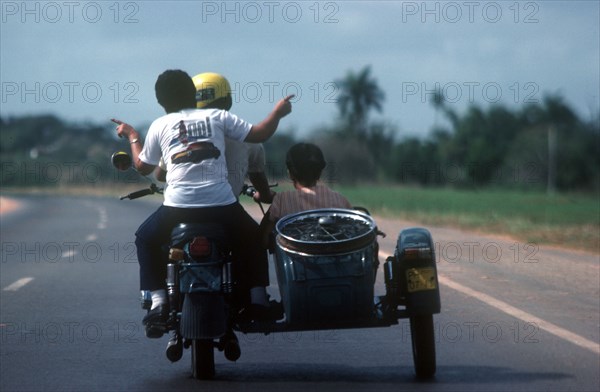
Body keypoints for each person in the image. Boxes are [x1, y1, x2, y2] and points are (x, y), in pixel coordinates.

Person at [112, 69, 293, 337]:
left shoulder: (160, 125)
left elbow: (141, 167)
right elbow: (260, 134)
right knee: (253, 238)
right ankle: (257, 300)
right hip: (221, 205)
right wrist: (278, 112)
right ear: (191, 94)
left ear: (161, 101)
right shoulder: (218, 117)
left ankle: (159, 302)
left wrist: (131, 135)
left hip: (176, 208)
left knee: (145, 239)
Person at [258, 142, 353, 248]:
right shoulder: (340, 199)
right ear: (320, 172)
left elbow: (264, 236)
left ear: (290, 173)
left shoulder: (282, 199)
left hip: (295, 261)